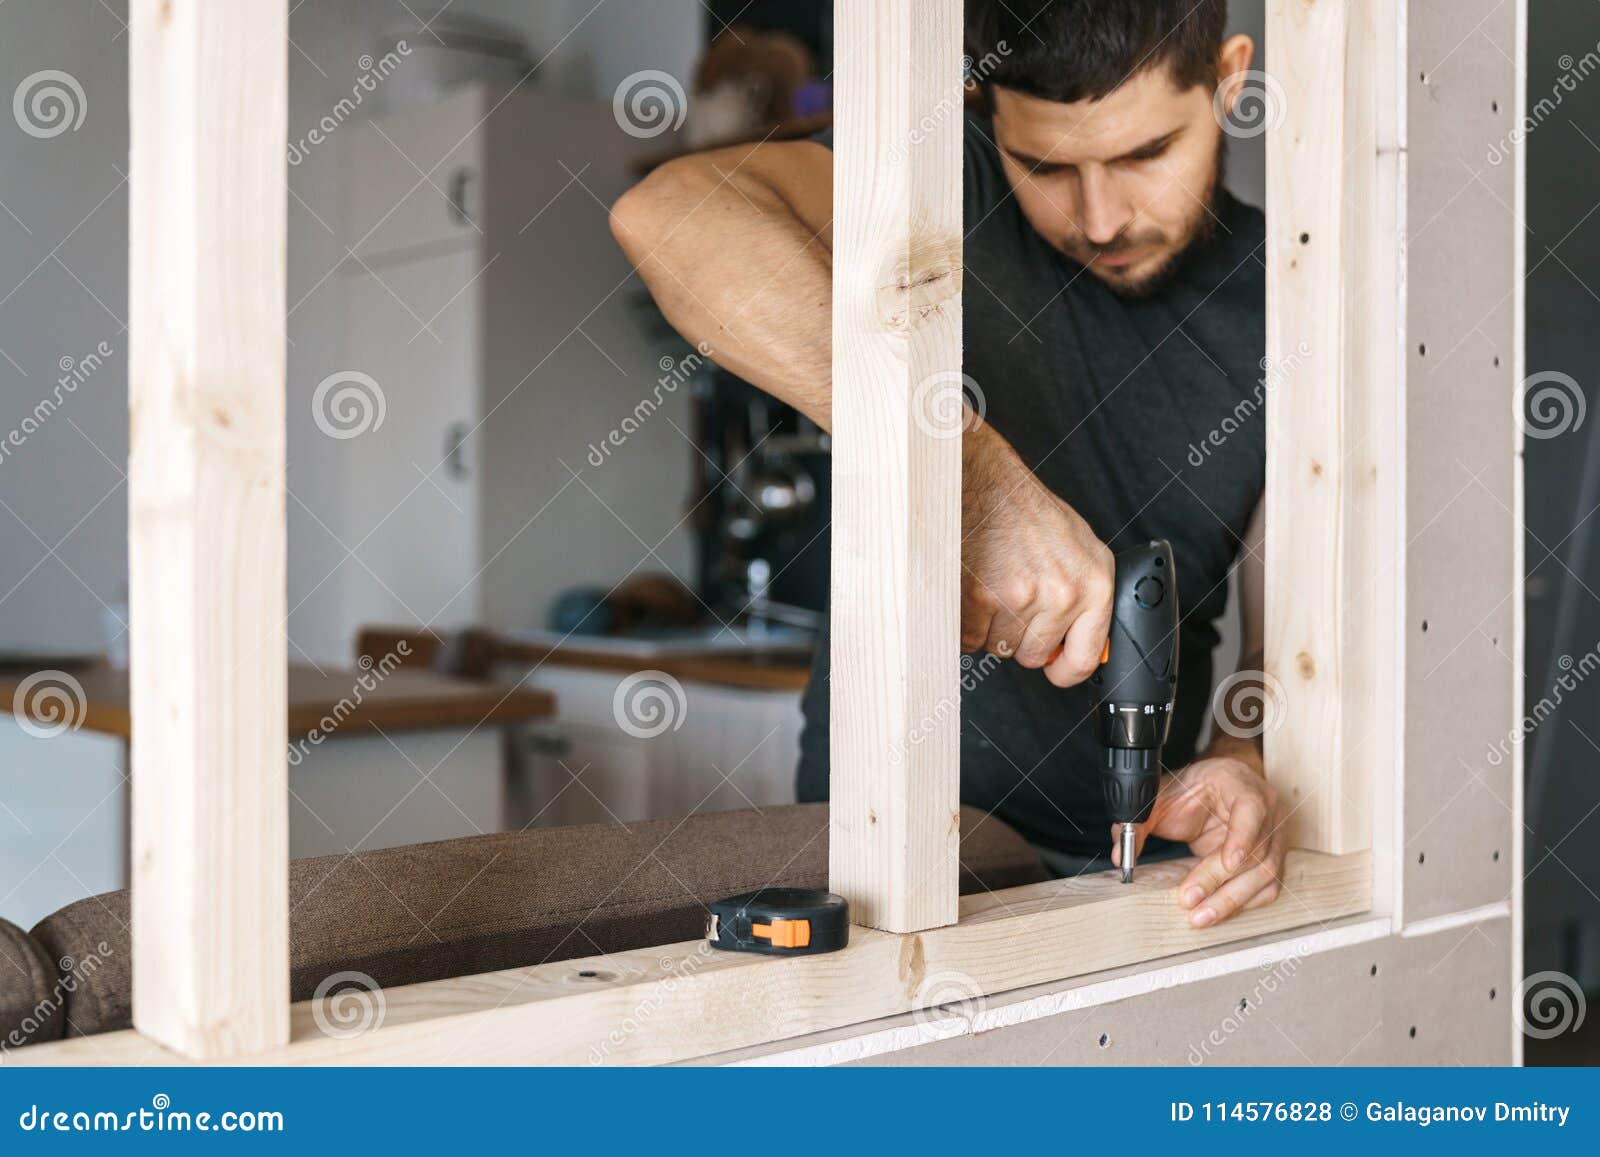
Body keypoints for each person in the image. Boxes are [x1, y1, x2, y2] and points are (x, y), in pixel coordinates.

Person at [611, 0, 1286, 927]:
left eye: (1144, 155)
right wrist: (969, 478)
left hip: (1144, 859)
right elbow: (669, 215)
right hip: (878, 842)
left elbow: (1292, 629)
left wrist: (1245, 759)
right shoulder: (942, 185)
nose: (1099, 217)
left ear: (1231, 76)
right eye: (1046, 165)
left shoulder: (1292, 298)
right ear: (988, 110)